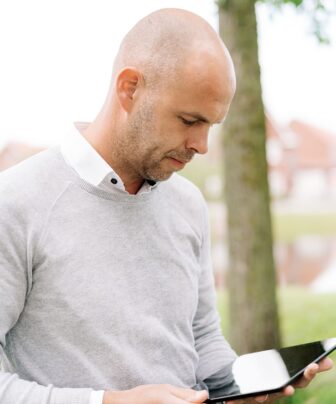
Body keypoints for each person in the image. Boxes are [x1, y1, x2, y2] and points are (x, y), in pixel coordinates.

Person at [0, 8, 332, 404]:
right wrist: (108, 402)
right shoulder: (16, 203)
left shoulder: (190, 205)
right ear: (130, 88)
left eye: (211, 125)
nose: (202, 145)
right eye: (190, 120)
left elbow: (203, 337)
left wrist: (237, 388)